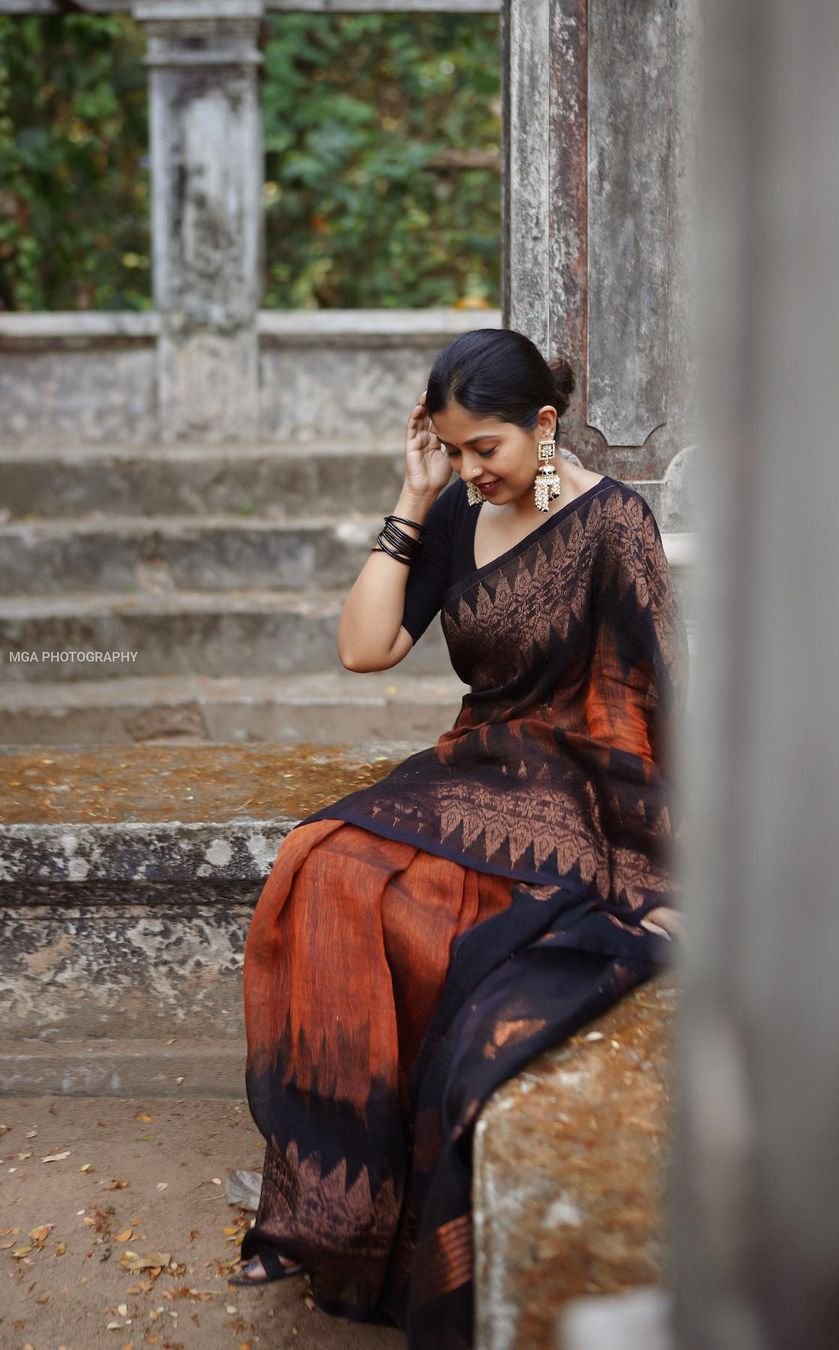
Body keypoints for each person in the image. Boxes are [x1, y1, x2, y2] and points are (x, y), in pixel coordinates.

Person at [229, 327, 689, 1348]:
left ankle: (395, 1184)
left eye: (487, 448)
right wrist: (410, 498)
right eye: (453, 448)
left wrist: (655, 847)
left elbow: (653, 694)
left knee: (444, 920)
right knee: (325, 864)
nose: (473, 468)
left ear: (544, 423)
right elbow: (365, 649)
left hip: (575, 792)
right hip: (474, 767)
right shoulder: (450, 513)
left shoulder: (614, 524)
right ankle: (345, 1196)